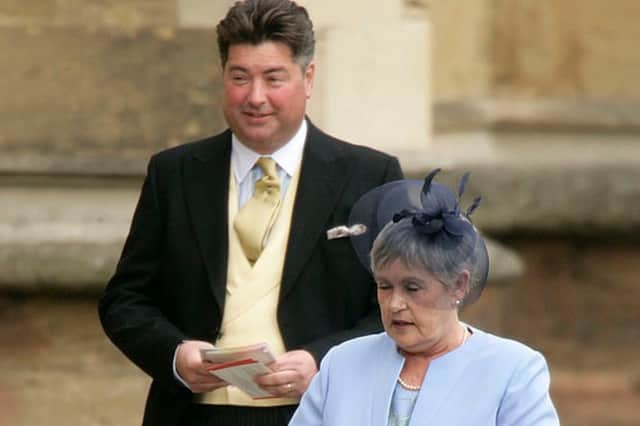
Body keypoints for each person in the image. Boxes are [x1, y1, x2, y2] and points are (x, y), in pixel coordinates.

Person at [97, 0, 403, 425]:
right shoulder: (174, 173)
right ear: (223, 77)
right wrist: (175, 354)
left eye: (273, 78)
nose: (255, 97)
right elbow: (124, 301)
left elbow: (398, 304)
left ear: (307, 77)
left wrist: (322, 361)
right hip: (191, 416)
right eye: (240, 78)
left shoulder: (370, 175)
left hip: (320, 412)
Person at [289, 169, 560, 426]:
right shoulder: (343, 362)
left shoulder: (513, 369)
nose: (395, 304)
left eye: (412, 288)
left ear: (458, 285)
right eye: (384, 286)